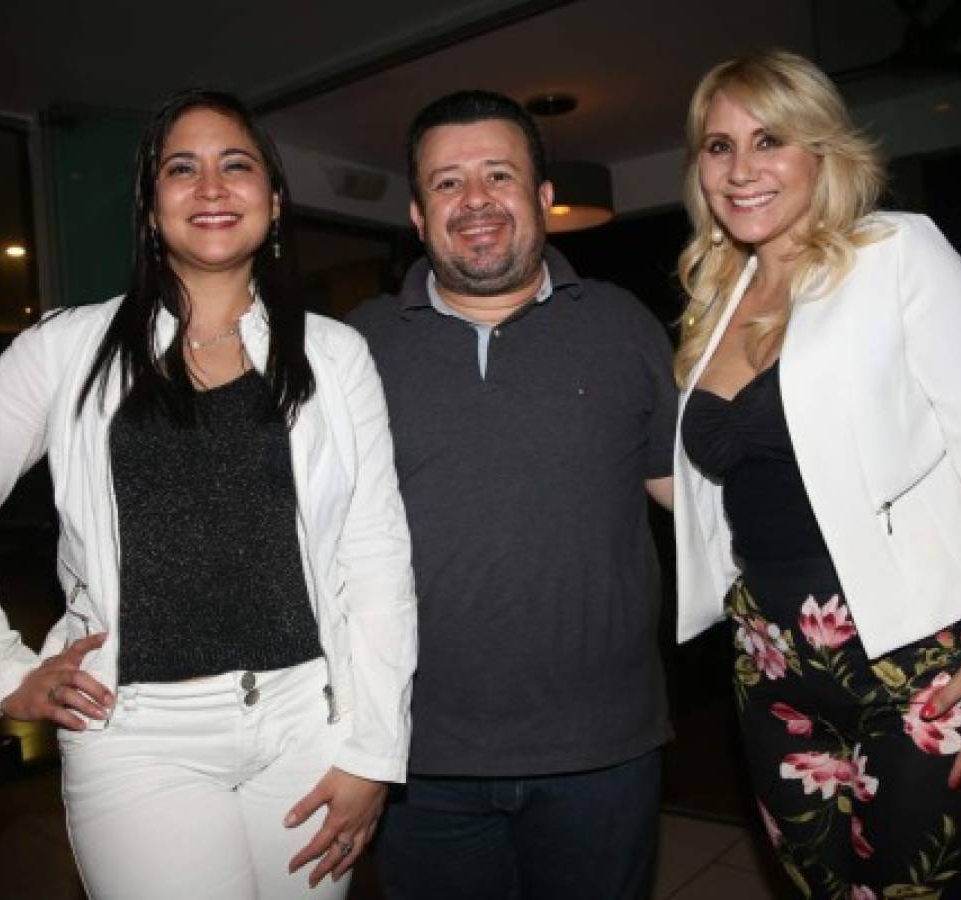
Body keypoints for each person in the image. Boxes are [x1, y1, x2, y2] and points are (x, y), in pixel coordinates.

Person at [0, 88, 416, 899]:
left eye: (235, 165)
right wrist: (1, 669)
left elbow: (376, 557)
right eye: (182, 168)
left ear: (275, 202)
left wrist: (373, 753)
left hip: (307, 726)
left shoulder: (336, 354)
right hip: (138, 736)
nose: (211, 186)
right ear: (150, 209)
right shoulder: (63, 350)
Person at [671, 49, 961, 898]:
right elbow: (726, 484)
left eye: (769, 140)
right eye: (719, 146)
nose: (740, 169)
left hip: (922, 655)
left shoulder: (895, 252)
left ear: (821, 150)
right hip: (768, 658)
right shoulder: (717, 300)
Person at [348, 90, 677, 900]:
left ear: (542, 197)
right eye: (447, 182)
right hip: (414, 755)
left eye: (499, 174)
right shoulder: (356, 344)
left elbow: (692, 498)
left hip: (603, 749)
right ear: (418, 216)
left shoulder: (623, 325)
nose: (475, 199)